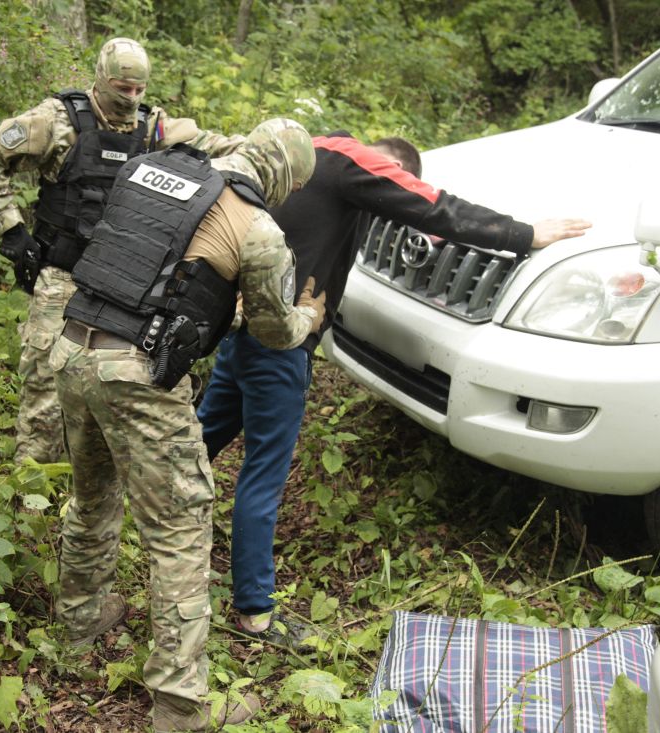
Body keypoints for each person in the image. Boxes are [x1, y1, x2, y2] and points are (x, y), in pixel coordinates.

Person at [196, 130, 593, 645]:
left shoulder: (295, 151)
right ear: (389, 169)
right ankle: (254, 613)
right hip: (281, 344)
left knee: (199, 440)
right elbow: (432, 208)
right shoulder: (349, 161)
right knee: (263, 476)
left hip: (242, 328)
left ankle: (138, 517)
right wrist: (523, 234)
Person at [48, 118, 324, 733]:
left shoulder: (161, 170)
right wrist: (306, 316)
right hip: (136, 377)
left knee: (91, 497)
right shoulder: (259, 230)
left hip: (69, 347)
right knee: (180, 529)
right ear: (285, 176)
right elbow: (273, 332)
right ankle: (180, 705)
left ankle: (78, 626)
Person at [0, 37, 246, 464]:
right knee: (45, 386)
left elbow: (223, 148)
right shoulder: (59, 121)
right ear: (102, 80)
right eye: (122, 88)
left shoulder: (154, 130)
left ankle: (87, 489)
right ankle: (30, 495)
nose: (130, 99)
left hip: (124, 285)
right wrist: (11, 227)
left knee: (112, 388)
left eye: (139, 91)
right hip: (63, 275)